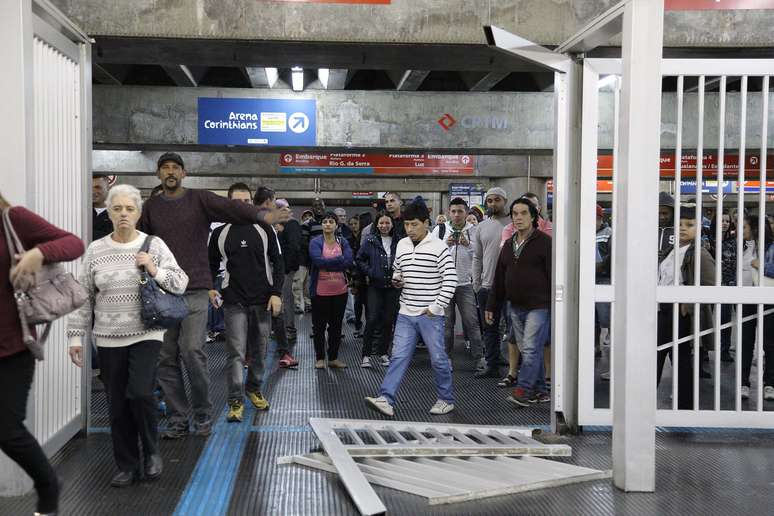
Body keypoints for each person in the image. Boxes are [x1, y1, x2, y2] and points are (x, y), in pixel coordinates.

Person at [138, 152, 273, 439]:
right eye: (165, 168)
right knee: (165, 358)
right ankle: (177, 419)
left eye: (175, 167)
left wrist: (261, 215)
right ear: (158, 174)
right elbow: (141, 244)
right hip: (162, 291)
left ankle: (202, 415)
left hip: (195, 290)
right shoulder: (150, 207)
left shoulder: (199, 199)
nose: (170, 172)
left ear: (184, 173)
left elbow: (231, 208)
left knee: (192, 351)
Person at [67, 184, 187, 487]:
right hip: (108, 337)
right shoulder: (96, 250)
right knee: (117, 404)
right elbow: (83, 297)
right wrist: (75, 337)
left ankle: (151, 452)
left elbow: (180, 282)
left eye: (129, 209)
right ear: (108, 212)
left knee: (141, 393)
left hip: (146, 333)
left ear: (138, 213)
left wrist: (154, 269)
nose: (123, 214)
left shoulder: (153, 245)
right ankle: (126, 465)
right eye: (117, 208)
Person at [1, 192, 84, 514]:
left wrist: (39, 253)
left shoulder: (13, 219)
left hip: (12, 348)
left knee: (7, 429)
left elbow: (73, 243)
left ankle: (48, 484)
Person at [365, 201, 458, 417]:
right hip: (406, 312)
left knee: (438, 359)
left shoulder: (439, 247)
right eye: (407, 225)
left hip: (430, 315)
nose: (410, 229)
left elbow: (450, 280)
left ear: (426, 223)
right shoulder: (402, 245)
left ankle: (446, 400)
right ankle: (386, 399)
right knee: (398, 357)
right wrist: (397, 279)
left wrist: (436, 307)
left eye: (414, 224)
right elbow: (398, 269)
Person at [208, 187, 284, 422]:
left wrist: (276, 293)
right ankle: (235, 400)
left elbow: (278, 262)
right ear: (229, 204)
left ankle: (254, 388)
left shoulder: (265, 229)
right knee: (236, 353)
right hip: (234, 301)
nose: (242, 204)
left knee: (260, 351)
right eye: (237, 201)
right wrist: (210, 287)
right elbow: (210, 264)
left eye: (246, 200)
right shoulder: (219, 233)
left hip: (262, 300)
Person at [486, 197, 552, 406]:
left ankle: (523, 390)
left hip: (539, 306)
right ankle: (540, 391)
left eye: (524, 213)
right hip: (515, 306)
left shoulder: (545, 242)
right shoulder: (509, 244)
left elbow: (553, 276)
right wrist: (492, 305)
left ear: (533, 217)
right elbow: (499, 277)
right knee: (528, 350)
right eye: (515, 214)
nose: (518, 217)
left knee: (531, 349)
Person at [657, 205, 715, 409]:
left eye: (689, 225)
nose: (683, 228)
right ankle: (684, 405)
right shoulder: (672, 250)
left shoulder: (699, 253)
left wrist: (687, 305)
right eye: (679, 224)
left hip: (680, 313)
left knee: (671, 357)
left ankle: (683, 406)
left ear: (699, 228)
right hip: (663, 309)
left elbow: (710, 285)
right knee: (672, 357)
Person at [431, 197, 485, 372]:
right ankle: (446, 358)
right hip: (444, 284)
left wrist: (467, 244)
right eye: (453, 211)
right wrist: (445, 245)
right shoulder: (439, 230)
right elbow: (431, 255)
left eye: (460, 211)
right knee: (446, 325)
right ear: (449, 212)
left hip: (465, 283)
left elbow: (480, 255)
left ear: (466, 212)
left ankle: (479, 358)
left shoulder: (475, 230)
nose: (456, 215)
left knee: (472, 322)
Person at [253, 187, 297, 367]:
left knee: (275, 314)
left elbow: (278, 260)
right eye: (274, 201)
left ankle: (283, 352)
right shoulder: (252, 224)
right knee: (255, 317)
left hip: (266, 279)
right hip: (255, 280)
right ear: (268, 202)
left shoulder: (269, 227)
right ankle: (280, 353)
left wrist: (276, 290)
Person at [472, 187, 511, 378]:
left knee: (513, 328)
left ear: (505, 201)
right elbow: (477, 257)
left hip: (512, 286)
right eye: (489, 200)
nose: (493, 203)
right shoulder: (481, 227)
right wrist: (477, 284)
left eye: (497, 200)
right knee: (490, 328)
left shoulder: (514, 223)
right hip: (488, 286)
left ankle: (515, 368)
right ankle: (492, 364)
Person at [309, 211, 354, 369]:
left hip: (340, 291)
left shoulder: (343, 241)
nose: (327, 224)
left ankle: (333, 358)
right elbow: (318, 262)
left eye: (331, 222)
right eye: (325, 222)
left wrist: (329, 263)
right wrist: (338, 260)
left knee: (336, 327)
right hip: (320, 292)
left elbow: (348, 261)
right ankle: (320, 358)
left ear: (336, 225)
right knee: (319, 327)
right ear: (321, 225)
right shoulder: (315, 242)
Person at [356, 213, 400, 368]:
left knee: (388, 321)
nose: (384, 226)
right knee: (372, 319)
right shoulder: (370, 240)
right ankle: (366, 355)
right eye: (381, 223)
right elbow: (359, 258)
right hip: (375, 286)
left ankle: (383, 353)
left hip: (393, 287)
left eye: (387, 223)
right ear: (377, 224)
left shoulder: (399, 241)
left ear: (392, 224)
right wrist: (371, 272)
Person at [740, 215, 774, 399]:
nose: (741, 230)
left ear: (754, 228)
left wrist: (763, 266)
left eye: (744, 227)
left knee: (769, 343)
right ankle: (743, 383)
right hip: (746, 300)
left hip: (768, 299)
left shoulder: (771, 248)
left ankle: (769, 383)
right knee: (745, 342)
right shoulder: (743, 247)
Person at [276, 198, 302, 368]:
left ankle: (289, 330)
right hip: (282, 267)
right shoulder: (282, 225)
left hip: (285, 268)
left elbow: (294, 247)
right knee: (283, 298)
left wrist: (286, 268)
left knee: (285, 298)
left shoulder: (291, 224)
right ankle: (285, 329)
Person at [708, 210, 736, 363]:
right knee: (706, 319)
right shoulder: (708, 239)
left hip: (727, 285)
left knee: (725, 320)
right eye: (721, 220)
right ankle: (703, 351)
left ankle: (724, 350)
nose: (724, 224)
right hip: (709, 284)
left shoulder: (734, 241)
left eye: (727, 221)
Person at [346, 215, 366, 337]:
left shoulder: (364, 238)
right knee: (357, 302)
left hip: (364, 272)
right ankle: (358, 326)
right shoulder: (348, 240)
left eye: (355, 223)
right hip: (354, 273)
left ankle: (368, 328)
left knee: (367, 303)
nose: (353, 226)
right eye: (351, 224)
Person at [92, 175, 113, 241]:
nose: (92, 191)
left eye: (97, 187)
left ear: (108, 188)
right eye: (89, 187)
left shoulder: (117, 215)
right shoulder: (81, 212)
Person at [658, 192, 676, 264]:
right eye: (658, 213)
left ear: (673, 212)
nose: (661, 217)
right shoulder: (647, 229)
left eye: (665, 213)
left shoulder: (680, 230)